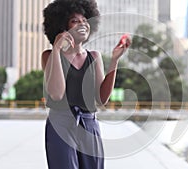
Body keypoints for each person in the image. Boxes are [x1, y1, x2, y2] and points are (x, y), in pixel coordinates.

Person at [41, 0, 131, 169]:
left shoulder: (94, 57)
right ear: (62, 27)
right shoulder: (49, 55)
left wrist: (114, 60)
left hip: (89, 125)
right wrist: (56, 49)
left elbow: (102, 99)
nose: (82, 24)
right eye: (75, 21)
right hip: (60, 124)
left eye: (84, 20)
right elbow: (56, 94)